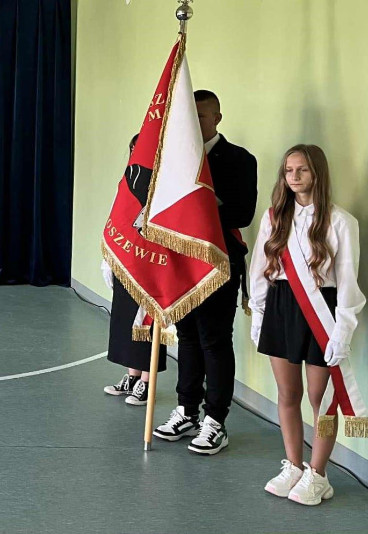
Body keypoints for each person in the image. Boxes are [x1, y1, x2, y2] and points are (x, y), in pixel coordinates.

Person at [249, 144, 364, 505]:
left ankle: (319, 473)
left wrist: (342, 331)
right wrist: (258, 312)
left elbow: (348, 282)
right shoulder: (274, 217)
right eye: (288, 170)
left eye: (302, 170)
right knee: (288, 394)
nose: (294, 177)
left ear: (317, 173)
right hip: (281, 307)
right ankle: (294, 466)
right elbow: (259, 268)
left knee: (321, 399)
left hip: (321, 312)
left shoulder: (341, 221)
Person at [153, 90, 258, 455]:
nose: (194, 122)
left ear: (216, 118)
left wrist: (199, 206)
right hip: (182, 260)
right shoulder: (174, 159)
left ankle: (215, 420)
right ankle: (186, 409)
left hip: (218, 259)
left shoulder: (239, 159)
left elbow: (242, 213)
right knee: (187, 337)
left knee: (214, 339)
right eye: (189, 116)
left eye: (200, 116)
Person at [102, 134, 167, 406]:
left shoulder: (165, 181)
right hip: (126, 258)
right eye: (133, 149)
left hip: (151, 261)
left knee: (147, 322)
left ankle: (147, 382)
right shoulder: (129, 179)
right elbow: (116, 216)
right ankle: (132, 376)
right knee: (126, 318)